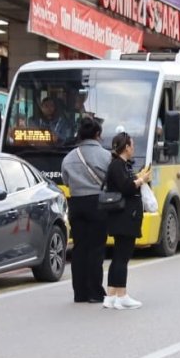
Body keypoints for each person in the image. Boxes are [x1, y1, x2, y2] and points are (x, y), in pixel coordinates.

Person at [61, 118, 113, 305]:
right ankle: (95, 292)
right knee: (96, 249)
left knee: (80, 248)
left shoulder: (69, 157)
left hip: (76, 204)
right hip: (97, 203)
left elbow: (66, 181)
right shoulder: (105, 156)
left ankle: (79, 293)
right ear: (97, 135)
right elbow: (110, 179)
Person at [104, 132, 148, 310]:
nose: (133, 148)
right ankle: (121, 294)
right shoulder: (117, 165)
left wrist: (137, 177)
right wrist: (141, 180)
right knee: (122, 257)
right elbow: (125, 187)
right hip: (124, 218)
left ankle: (111, 294)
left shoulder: (121, 165)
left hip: (122, 217)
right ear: (126, 147)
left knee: (118, 257)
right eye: (132, 145)